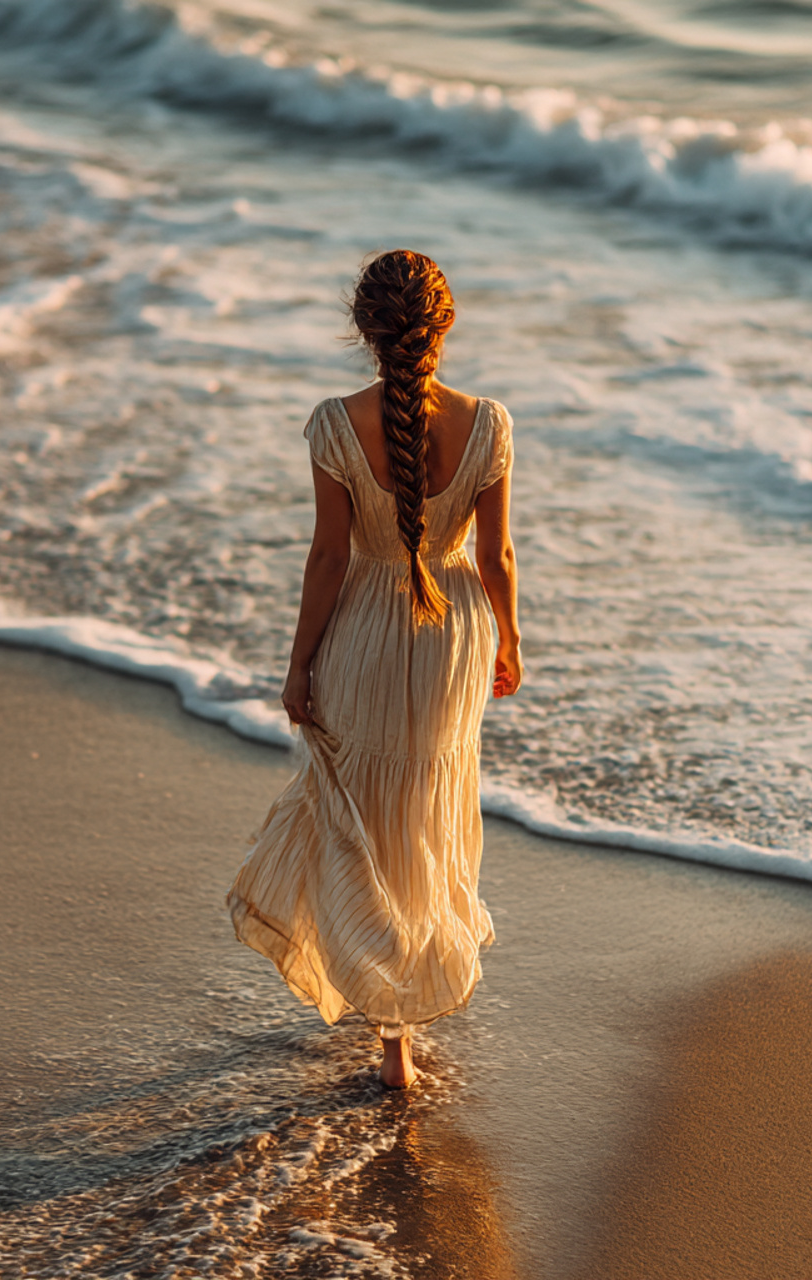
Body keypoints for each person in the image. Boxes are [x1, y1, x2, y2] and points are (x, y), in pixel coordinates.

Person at [226, 249, 521, 1089]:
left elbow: (327, 557)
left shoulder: (332, 424)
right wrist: (509, 640)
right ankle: (407, 1005)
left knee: (360, 811)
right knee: (428, 811)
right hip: (453, 633)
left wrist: (299, 666)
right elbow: (494, 553)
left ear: (364, 329)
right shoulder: (490, 424)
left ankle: (388, 1026)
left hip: (362, 626)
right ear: (445, 323)